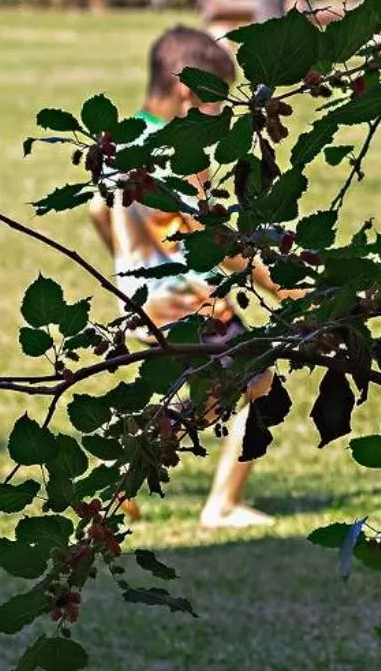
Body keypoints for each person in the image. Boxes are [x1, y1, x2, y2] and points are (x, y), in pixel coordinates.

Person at [91, 26, 278, 530]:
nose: (220, 114)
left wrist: (129, 269)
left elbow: (97, 211)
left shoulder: (120, 141)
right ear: (187, 91)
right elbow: (211, 239)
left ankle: (120, 482)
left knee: (203, 394)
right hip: (190, 301)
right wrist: (277, 283)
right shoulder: (180, 152)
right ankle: (222, 504)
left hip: (143, 302)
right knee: (260, 381)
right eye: (216, 100)